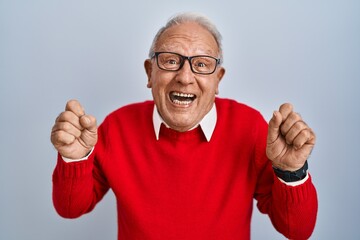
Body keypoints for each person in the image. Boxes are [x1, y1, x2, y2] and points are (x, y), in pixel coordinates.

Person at [51, 12, 318, 240]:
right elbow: (70, 208)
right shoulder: (117, 127)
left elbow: (297, 230)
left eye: (202, 64)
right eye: (170, 61)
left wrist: (291, 171)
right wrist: (73, 159)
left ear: (218, 80)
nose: (185, 77)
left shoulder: (249, 128)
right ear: (149, 73)